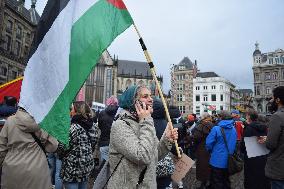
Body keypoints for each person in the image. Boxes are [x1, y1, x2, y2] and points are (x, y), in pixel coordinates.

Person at [107, 85, 178, 188]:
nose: (151, 99)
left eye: (150, 96)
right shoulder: (121, 125)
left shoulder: (143, 122)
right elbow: (142, 157)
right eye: (145, 96)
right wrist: (146, 121)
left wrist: (166, 140)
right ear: (133, 101)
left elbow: (153, 156)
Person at [0, 108, 58, 189]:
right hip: (37, 169)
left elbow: (1, 149)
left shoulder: (10, 121)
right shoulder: (43, 122)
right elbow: (53, 146)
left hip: (12, 169)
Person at [59, 101, 98, 189]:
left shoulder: (73, 128)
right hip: (86, 165)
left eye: (72, 109)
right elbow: (94, 143)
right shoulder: (94, 126)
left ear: (77, 111)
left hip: (73, 168)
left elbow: (63, 146)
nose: (71, 112)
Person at [258, 86, 284, 189]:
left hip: (279, 168)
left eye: (273, 98)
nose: (271, 100)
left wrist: (267, 139)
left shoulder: (277, 116)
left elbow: (271, 144)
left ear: (278, 100)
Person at [206, 110, 237, 189]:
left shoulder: (216, 129)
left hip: (216, 160)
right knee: (226, 181)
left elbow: (209, 143)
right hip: (228, 160)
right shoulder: (233, 129)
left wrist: (210, 150)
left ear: (221, 118)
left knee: (216, 182)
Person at [241, 109, 270, 189]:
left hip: (251, 159)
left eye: (246, 115)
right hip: (263, 157)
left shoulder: (249, 128)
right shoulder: (265, 128)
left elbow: (243, 146)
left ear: (249, 116)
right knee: (262, 178)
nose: (245, 117)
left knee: (252, 179)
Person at [152, 98, 174, 189]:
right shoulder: (167, 124)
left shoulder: (146, 124)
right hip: (166, 165)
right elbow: (171, 144)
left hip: (152, 164)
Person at [192, 112, 214, 189]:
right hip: (211, 148)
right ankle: (209, 183)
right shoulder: (212, 125)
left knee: (202, 166)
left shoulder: (201, 126)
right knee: (209, 166)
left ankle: (203, 185)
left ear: (203, 118)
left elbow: (196, 137)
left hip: (202, 148)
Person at [98, 96, 119, 162]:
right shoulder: (119, 114)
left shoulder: (102, 113)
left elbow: (100, 126)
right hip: (115, 144)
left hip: (104, 143)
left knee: (103, 168)